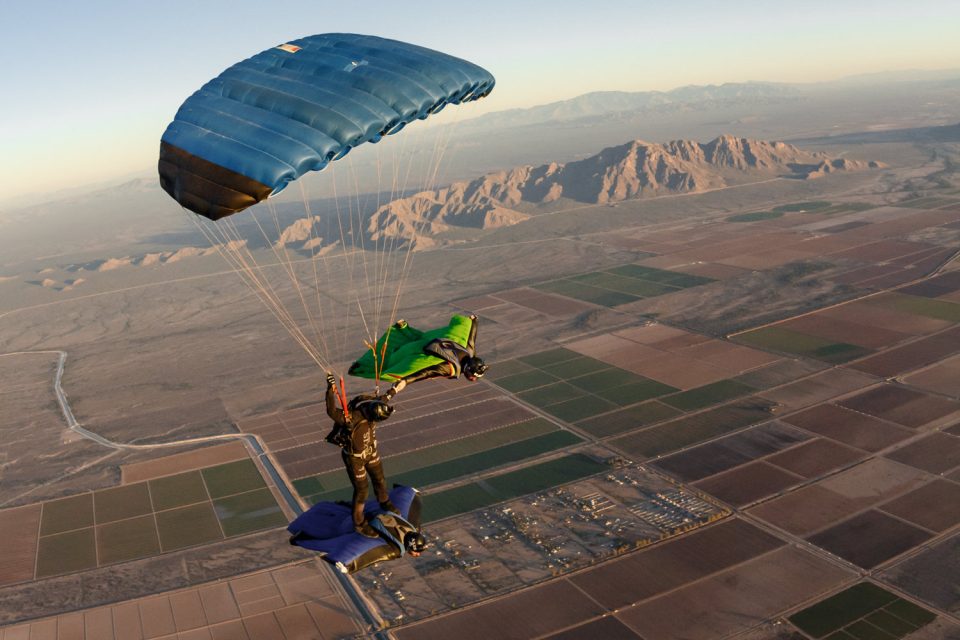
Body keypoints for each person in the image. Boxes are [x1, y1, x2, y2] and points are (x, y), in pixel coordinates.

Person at [324, 372, 396, 538]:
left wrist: (395, 388)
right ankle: (359, 523)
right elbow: (331, 411)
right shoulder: (351, 418)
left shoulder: (376, 405)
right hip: (354, 458)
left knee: (379, 478)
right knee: (362, 490)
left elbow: (387, 397)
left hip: (370, 451)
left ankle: (384, 502)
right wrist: (330, 389)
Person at [386, 313, 488, 397]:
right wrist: (405, 381)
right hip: (422, 349)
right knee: (394, 358)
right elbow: (428, 372)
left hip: (434, 338)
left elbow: (471, 338)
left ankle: (404, 328)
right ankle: (395, 340)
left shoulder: (470, 352)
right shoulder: (450, 369)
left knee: (419, 337)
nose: (473, 379)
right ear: (467, 370)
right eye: (472, 376)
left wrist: (474, 321)